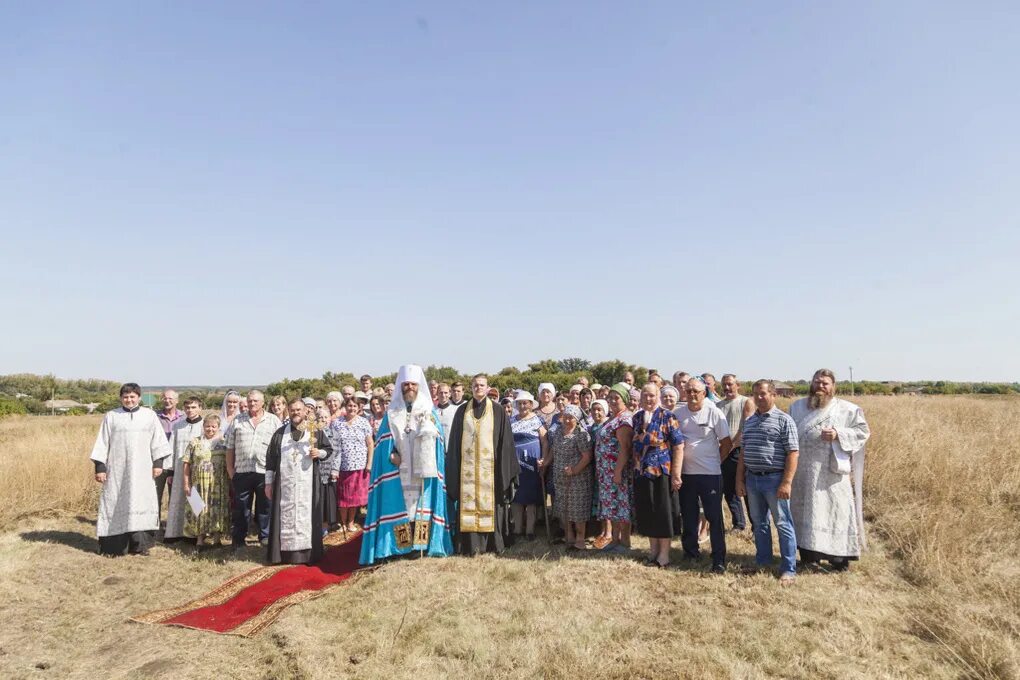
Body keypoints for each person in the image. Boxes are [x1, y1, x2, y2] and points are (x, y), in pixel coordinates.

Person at [360, 365, 453, 565]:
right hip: (398, 469)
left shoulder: (429, 411)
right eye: (406, 384)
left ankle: (420, 545)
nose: (409, 387)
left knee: (422, 506)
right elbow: (383, 442)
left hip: (422, 469)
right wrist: (391, 455)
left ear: (419, 386)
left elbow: (439, 441)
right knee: (399, 506)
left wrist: (430, 439)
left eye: (413, 384)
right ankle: (401, 545)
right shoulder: (392, 413)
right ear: (400, 387)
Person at [790, 369, 871, 572]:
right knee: (806, 512)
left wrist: (838, 434)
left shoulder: (847, 409)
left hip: (832, 473)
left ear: (833, 386)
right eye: (817, 382)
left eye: (825, 383)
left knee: (836, 512)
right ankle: (809, 557)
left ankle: (838, 559)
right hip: (803, 473)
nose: (820, 386)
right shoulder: (797, 407)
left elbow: (862, 432)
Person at [89, 383, 171, 556]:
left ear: (139, 398)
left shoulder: (149, 416)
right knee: (115, 502)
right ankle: (115, 546)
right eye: (126, 397)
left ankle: (140, 545)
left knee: (141, 501)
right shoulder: (111, 416)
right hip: (117, 470)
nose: (129, 400)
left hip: (142, 469)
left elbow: (158, 441)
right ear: (121, 398)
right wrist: (100, 467)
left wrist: (158, 464)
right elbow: (102, 443)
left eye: (133, 396)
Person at [446, 374, 520, 556]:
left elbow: (506, 442)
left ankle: (493, 544)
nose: (478, 388)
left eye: (482, 385)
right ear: (471, 388)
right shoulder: (462, 411)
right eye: (475, 385)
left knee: (493, 504)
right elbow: (455, 442)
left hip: (491, 472)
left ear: (488, 388)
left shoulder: (498, 411)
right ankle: (469, 545)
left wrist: (504, 470)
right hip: (467, 472)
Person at [736, 380, 800, 585]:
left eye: (763, 394)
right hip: (753, 479)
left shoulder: (784, 420)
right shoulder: (750, 421)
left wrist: (786, 482)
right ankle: (763, 561)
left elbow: (793, 452)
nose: (758, 397)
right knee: (759, 523)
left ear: (773, 395)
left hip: (775, 479)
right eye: (755, 394)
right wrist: (740, 479)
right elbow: (743, 453)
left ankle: (788, 568)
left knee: (783, 524)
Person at [264, 398, 334, 565]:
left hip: (308, 484)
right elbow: (270, 459)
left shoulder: (315, 431)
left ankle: (309, 554)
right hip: (285, 485)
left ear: (305, 411)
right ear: (289, 411)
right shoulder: (280, 434)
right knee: (283, 515)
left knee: (308, 515)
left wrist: (319, 453)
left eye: (299, 410)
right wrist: (268, 483)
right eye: (293, 410)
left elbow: (328, 449)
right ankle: (283, 555)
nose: (296, 413)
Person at [675, 379, 732, 574]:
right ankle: (690, 552)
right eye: (688, 390)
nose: (692, 394)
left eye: (696, 391)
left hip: (710, 474)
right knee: (688, 515)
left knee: (714, 516)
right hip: (686, 474)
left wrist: (717, 461)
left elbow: (726, 443)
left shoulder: (714, 412)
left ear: (704, 392)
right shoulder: (678, 413)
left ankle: (718, 558)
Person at [630, 383, 684, 568]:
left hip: (662, 470)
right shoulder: (637, 417)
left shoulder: (668, 416)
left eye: (652, 395)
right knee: (648, 511)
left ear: (658, 397)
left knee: (662, 512)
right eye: (645, 394)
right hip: (642, 470)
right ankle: (653, 552)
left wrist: (676, 474)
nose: (648, 398)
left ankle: (664, 555)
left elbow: (678, 445)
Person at [225, 390, 282, 550]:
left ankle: (264, 536)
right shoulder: (238, 420)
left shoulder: (273, 421)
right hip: (242, 471)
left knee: (265, 507)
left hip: (265, 472)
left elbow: (279, 448)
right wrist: (230, 469)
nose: (252, 404)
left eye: (255, 401)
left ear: (263, 402)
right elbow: (229, 447)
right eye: (249, 401)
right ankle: (238, 539)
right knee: (241, 507)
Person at [541, 405, 593, 551]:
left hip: (577, 479)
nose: (568, 420)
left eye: (571, 418)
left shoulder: (581, 434)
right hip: (561, 477)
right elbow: (553, 450)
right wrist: (545, 462)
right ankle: (569, 537)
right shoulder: (558, 431)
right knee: (564, 508)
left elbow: (587, 457)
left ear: (577, 419)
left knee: (577, 510)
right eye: (566, 417)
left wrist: (575, 470)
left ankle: (580, 540)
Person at [182, 414, 230, 549]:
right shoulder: (194, 442)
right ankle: (199, 539)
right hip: (198, 484)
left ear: (218, 427)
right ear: (203, 427)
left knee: (217, 509)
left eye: (213, 426)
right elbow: (186, 463)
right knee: (198, 509)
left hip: (218, 484)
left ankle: (216, 538)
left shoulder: (224, 442)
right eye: (207, 426)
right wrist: (186, 483)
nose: (210, 429)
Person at [329, 396, 375, 534]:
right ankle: (342, 523)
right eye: (349, 406)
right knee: (343, 497)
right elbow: (332, 444)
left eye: (355, 406)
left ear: (359, 408)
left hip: (359, 465)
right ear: (345, 407)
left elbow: (370, 444)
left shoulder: (364, 423)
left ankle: (351, 522)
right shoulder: (336, 423)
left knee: (354, 497)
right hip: (342, 466)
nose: (352, 408)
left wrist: (369, 463)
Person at [717, 375, 754, 531]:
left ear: (737, 385)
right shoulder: (718, 405)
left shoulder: (746, 402)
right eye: (724, 385)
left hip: (739, 451)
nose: (727, 388)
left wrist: (730, 446)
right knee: (729, 490)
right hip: (722, 451)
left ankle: (756, 526)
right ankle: (738, 523)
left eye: (730, 384)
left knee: (746, 491)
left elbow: (746, 428)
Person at [164, 397, 205, 541]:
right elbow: (171, 448)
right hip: (179, 469)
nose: (190, 410)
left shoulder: (204, 425)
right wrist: (170, 471)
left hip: (198, 470)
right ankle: (175, 532)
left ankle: (195, 533)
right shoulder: (177, 426)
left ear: (200, 408)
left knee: (195, 499)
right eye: (187, 408)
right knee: (178, 499)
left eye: (194, 407)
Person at [509, 390, 547, 541]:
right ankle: (518, 529)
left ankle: (530, 530)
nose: (523, 406)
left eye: (525, 403)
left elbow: (545, 441)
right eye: (520, 403)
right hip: (515, 463)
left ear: (531, 405)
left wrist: (544, 458)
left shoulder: (537, 420)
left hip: (532, 464)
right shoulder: (511, 420)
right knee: (516, 496)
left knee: (531, 498)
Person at [154, 389, 183, 525]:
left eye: (171, 398)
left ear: (177, 401)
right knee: (155, 496)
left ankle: (174, 526)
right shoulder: (154, 417)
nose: (167, 401)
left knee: (176, 497)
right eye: (165, 398)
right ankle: (154, 525)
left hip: (177, 463)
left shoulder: (184, 417)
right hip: (158, 462)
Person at [435, 383, 458, 448]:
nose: (443, 395)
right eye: (441, 393)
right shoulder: (432, 410)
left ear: (449, 394)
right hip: (436, 446)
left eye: (445, 393)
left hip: (451, 446)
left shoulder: (456, 410)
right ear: (437, 394)